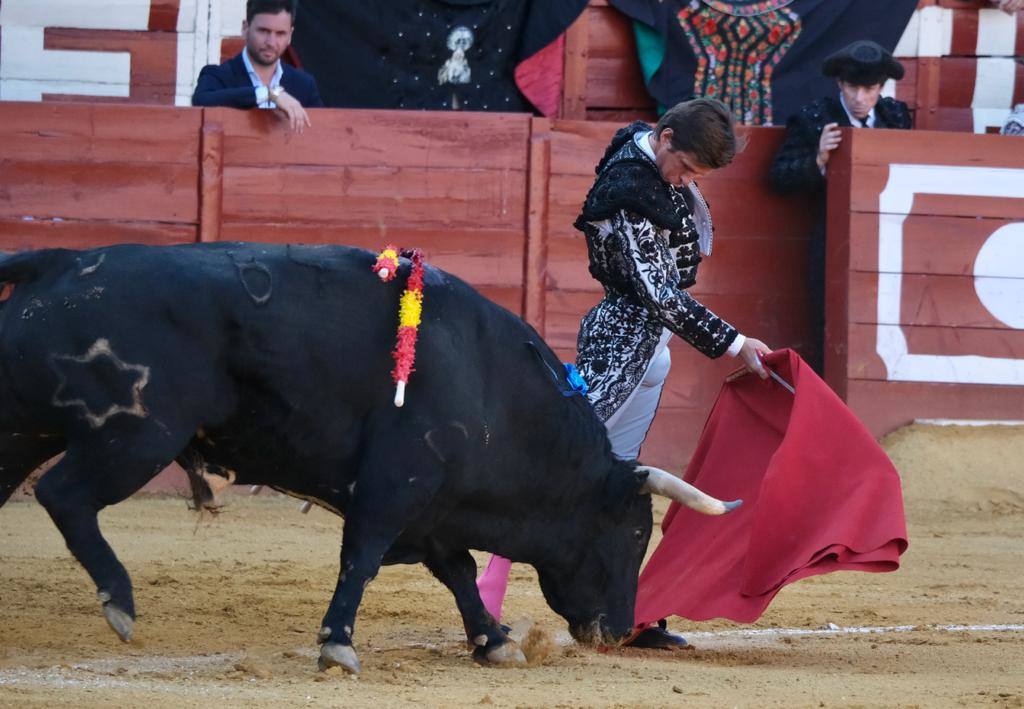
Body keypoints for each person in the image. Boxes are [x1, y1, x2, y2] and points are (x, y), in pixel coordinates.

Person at [477, 98, 773, 650]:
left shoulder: (652, 158)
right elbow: (658, 294)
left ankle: (625, 612)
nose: (685, 183)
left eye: (696, 177)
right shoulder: (628, 194)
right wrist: (735, 344)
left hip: (646, 345)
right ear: (663, 139)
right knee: (558, 464)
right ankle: (487, 591)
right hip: (621, 339)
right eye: (684, 168)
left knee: (617, 483)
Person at [769, 40, 911, 374]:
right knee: (829, 319)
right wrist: (817, 159)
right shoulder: (813, 118)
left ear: (881, 87)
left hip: (889, 241)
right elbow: (779, 178)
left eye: (869, 88)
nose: (860, 98)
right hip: (833, 240)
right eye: (852, 87)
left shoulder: (896, 116)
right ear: (839, 84)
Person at [192, 0, 323, 133]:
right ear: (245, 28)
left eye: (280, 33)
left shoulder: (304, 84)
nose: (271, 42)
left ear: (290, 35)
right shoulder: (218, 75)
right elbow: (201, 101)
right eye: (263, 31)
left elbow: (323, 133)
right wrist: (268, 94)